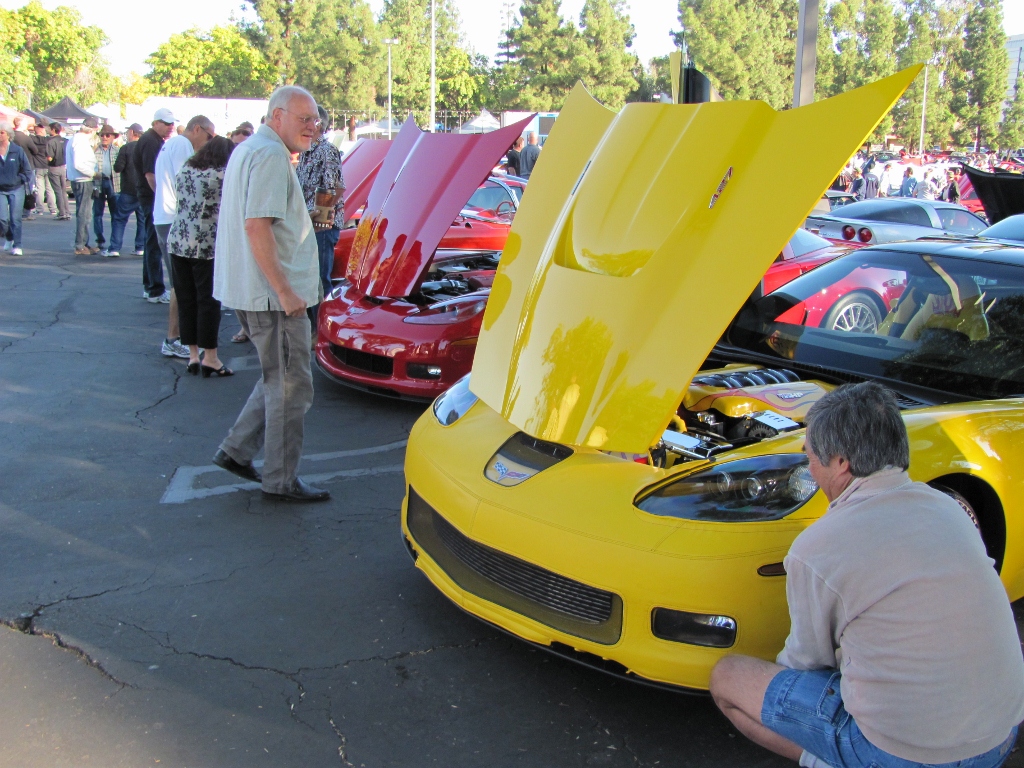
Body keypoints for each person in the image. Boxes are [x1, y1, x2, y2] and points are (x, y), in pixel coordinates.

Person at [708, 381, 1024, 768]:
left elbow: (807, 663)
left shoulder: (818, 546)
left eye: (811, 457)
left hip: (907, 756)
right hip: (999, 738)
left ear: (841, 462)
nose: (810, 469)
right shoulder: (949, 509)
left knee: (729, 677)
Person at [212, 85, 329, 503]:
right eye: (304, 119)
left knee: (279, 379)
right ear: (277, 116)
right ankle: (281, 480)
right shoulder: (270, 155)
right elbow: (256, 225)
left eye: (315, 120)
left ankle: (236, 450)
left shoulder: (253, 149)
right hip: (273, 297)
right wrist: (285, 291)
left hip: (258, 291)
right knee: (291, 388)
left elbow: (258, 222)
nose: (313, 127)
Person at [168, 136, 235, 378]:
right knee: (208, 301)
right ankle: (211, 358)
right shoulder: (223, 174)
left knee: (186, 299)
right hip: (206, 244)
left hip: (178, 240)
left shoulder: (187, 168)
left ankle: (193, 355)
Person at [153, 115, 215, 359]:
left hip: (168, 217)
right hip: (175, 219)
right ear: (197, 129)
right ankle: (174, 338)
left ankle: (182, 337)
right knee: (181, 286)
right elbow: (189, 182)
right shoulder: (182, 145)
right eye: (209, 137)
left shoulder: (173, 144)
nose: (208, 143)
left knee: (182, 284)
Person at [296, 105, 344, 327]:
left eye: (308, 120)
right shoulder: (305, 150)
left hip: (322, 225)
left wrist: (320, 220)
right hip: (308, 223)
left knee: (320, 279)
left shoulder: (326, 150)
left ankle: (322, 330)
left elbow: (335, 188)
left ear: (319, 124)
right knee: (309, 278)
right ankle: (312, 327)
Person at [132, 108, 176, 307]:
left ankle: (150, 286)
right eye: (166, 123)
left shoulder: (154, 140)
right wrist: (161, 197)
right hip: (150, 196)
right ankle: (154, 288)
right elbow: (150, 175)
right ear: (155, 123)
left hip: (149, 196)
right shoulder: (151, 142)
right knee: (154, 243)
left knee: (152, 241)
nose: (170, 127)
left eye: (171, 123)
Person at [108, 124, 146, 257]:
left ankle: (114, 248)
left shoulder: (126, 148)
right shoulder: (146, 147)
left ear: (132, 132)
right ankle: (140, 247)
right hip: (143, 189)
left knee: (119, 218)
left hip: (128, 189)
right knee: (142, 219)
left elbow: (118, 167)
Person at [66, 117, 100, 255]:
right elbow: (79, 164)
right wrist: (93, 173)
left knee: (85, 213)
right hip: (83, 180)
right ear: (92, 130)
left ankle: (84, 242)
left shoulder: (75, 139)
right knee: (84, 213)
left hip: (80, 179)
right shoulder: (80, 141)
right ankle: (80, 244)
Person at [0, 120, 34, 256]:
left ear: (8, 134)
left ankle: (17, 245)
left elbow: (27, 170)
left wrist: (21, 179)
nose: (0, 135)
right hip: (1, 190)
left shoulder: (17, 150)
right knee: (2, 219)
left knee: (16, 219)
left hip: (16, 188)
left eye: (2, 133)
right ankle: (9, 236)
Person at [93, 124, 120, 256]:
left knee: (116, 214)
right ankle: (100, 240)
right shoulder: (94, 150)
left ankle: (114, 242)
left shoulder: (117, 151)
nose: (104, 137)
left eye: (107, 135)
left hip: (113, 183)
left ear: (113, 137)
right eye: (102, 135)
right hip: (98, 183)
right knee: (97, 213)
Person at [28, 122, 55, 216]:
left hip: (38, 166)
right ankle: (53, 208)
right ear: (42, 131)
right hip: (48, 166)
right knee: (50, 189)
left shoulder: (32, 139)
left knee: (40, 189)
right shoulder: (48, 140)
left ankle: (40, 209)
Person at [45, 123, 70, 221]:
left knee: (58, 191)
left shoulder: (51, 142)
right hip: (63, 167)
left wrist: (46, 159)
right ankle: (67, 212)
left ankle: (62, 212)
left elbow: (50, 158)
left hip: (54, 167)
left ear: (53, 129)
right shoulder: (66, 141)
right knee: (63, 190)